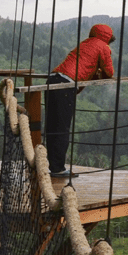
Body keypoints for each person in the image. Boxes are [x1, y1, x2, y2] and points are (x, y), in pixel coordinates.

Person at [44, 23, 115, 177]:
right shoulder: (102, 46)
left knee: (52, 125)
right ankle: (58, 169)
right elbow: (109, 72)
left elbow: (81, 73)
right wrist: (101, 70)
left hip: (52, 79)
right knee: (62, 128)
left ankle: (52, 165)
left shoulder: (85, 43)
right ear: (107, 37)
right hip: (65, 84)